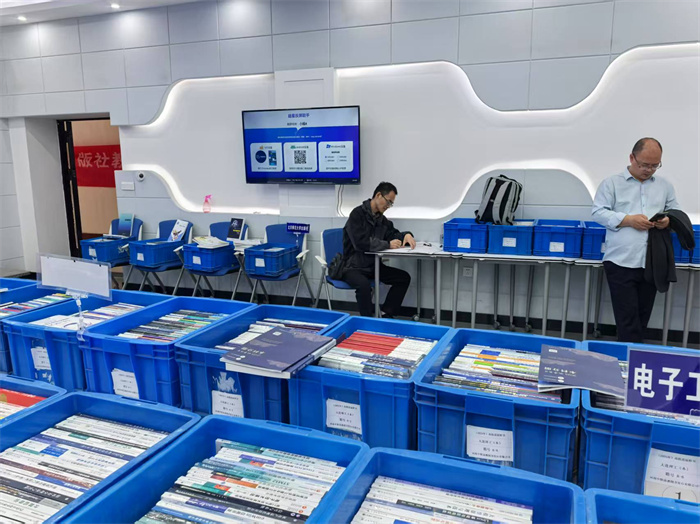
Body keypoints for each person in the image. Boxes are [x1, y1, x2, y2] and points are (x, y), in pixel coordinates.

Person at [591, 137, 679, 342]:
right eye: (644, 165)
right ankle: (629, 356)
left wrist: (667, 221)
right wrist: (628, 220)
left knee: (642, 316)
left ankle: (635, 356)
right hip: (620, 261)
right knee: (627, 319)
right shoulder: (612, 183)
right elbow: (598, 213)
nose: (649, 170)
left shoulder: (665, 186)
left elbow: (676, 213)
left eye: (655, 166)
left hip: (652, 261)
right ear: (632, 158)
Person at [341, 182, 416, 318]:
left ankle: (386, 314)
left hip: (372, 266)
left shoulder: (381, 220)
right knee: (364, 286)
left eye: (391, 204)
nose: (388, 206)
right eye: (388, 202)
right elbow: (360, 243)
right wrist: (387, 244)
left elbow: (393, 234)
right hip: (352, 267)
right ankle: (368, 322)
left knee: (403, 278)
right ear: (378, 195)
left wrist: (406, 235)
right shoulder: (356, 215)